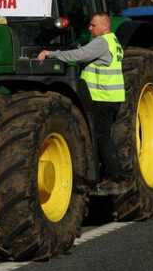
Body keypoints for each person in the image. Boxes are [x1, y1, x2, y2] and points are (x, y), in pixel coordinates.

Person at [38, 12, 127, 195]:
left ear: (104, 26)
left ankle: (115, 178)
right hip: (112, 97)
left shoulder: (101, 42)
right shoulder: (114, 41)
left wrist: (52, 53)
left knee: (101, 136)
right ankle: (110, 176)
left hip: (103, 97)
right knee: (104, 136)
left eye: (93, 25)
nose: (90, 28)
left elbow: (80, 54)